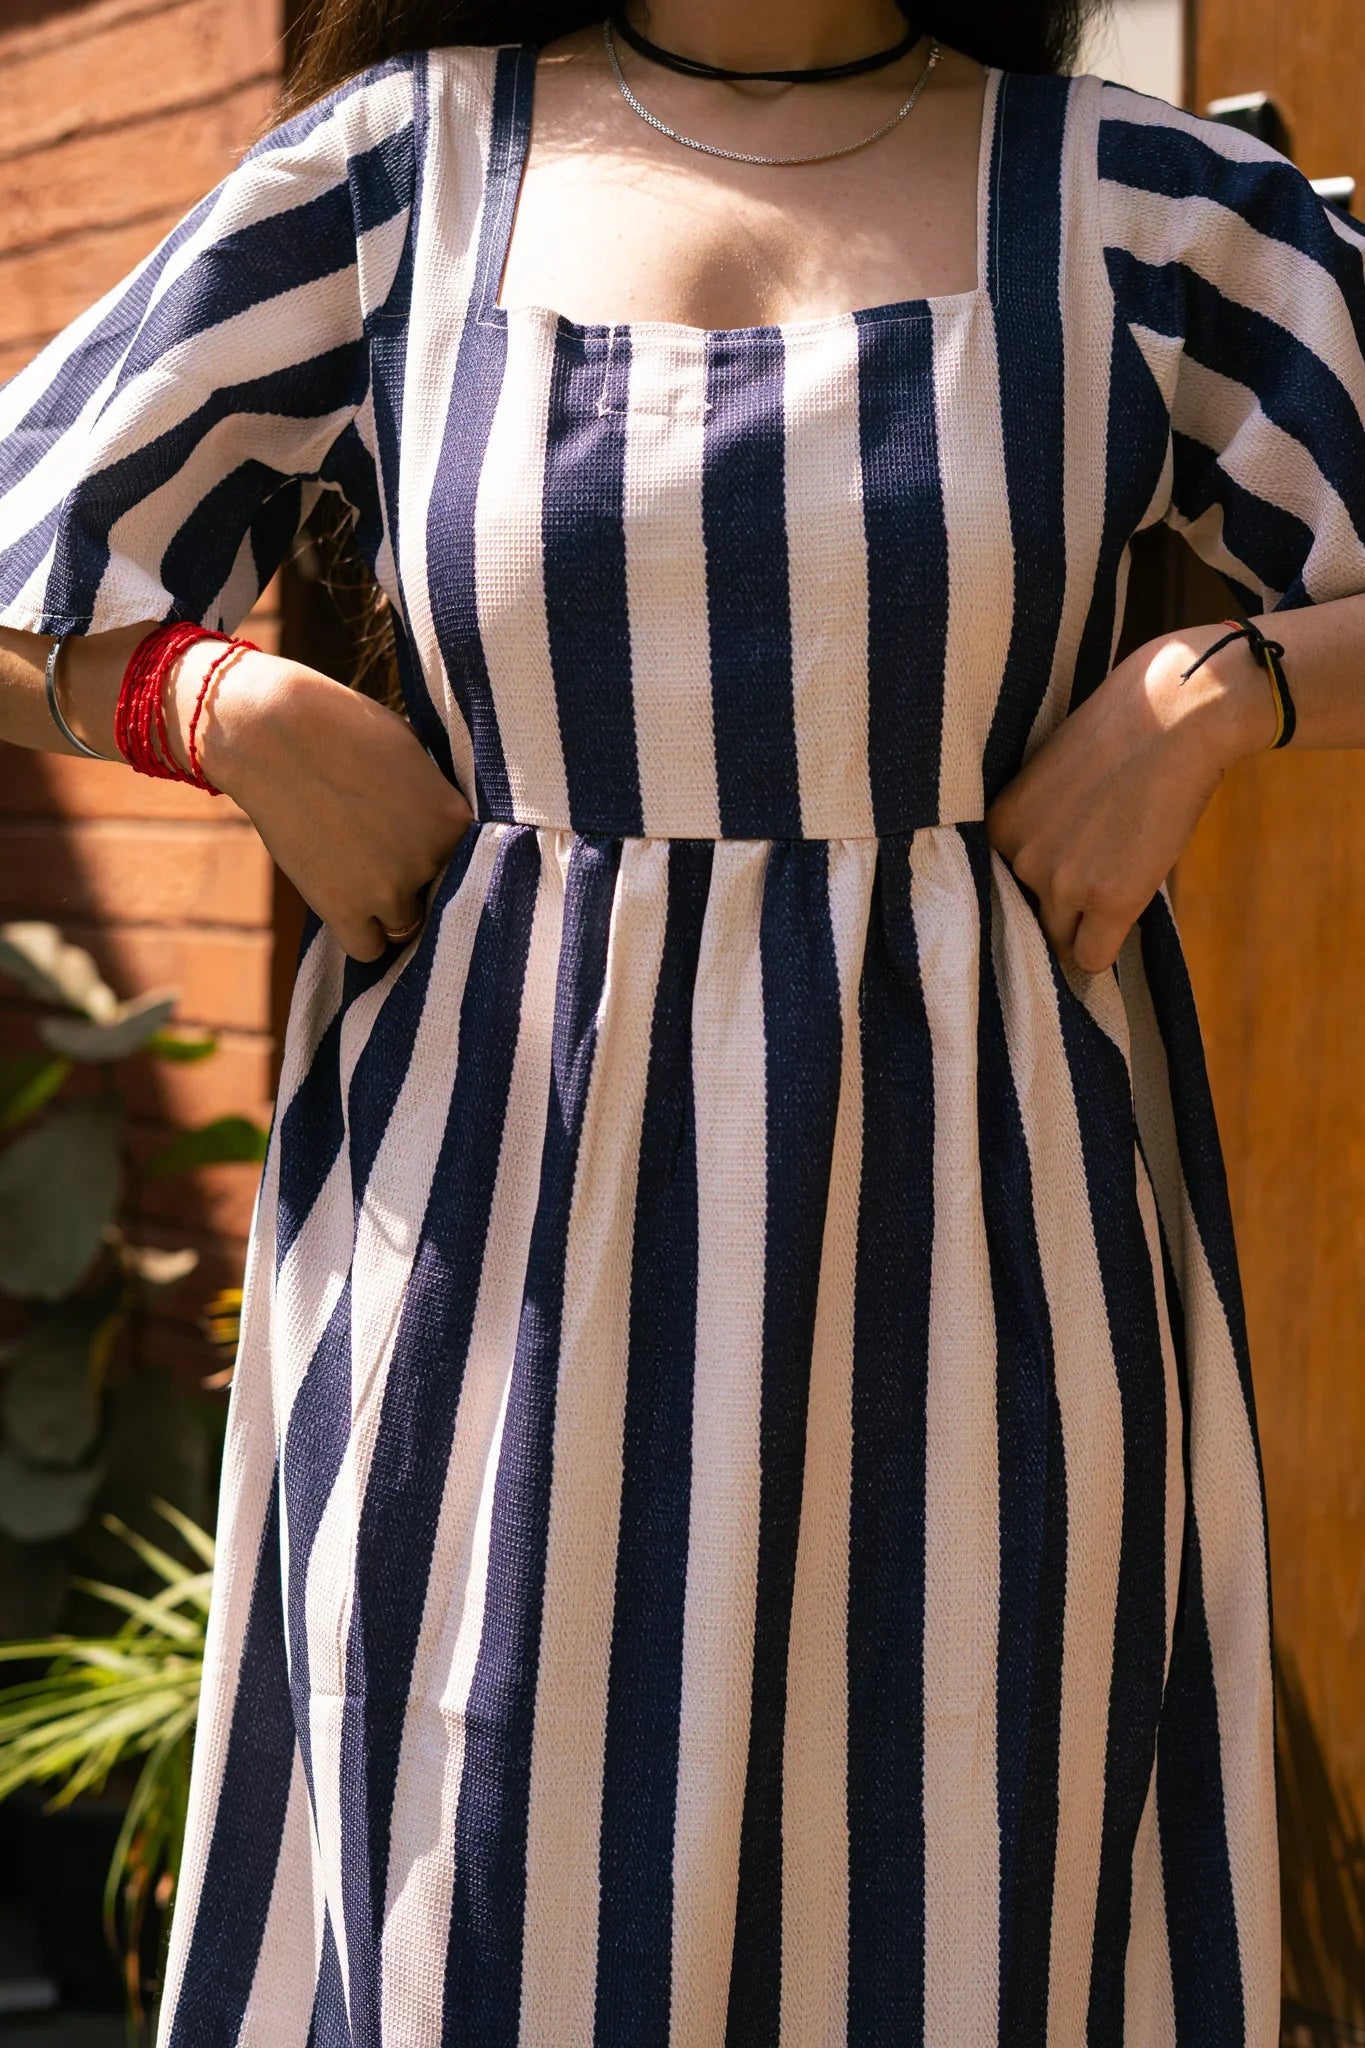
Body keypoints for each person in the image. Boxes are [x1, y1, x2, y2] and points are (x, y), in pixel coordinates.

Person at [1, 0, 1362, 2039]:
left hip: (979, 1283)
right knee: (500, 1907)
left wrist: (1214, 692)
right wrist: (221, 706)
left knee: (957, 1891)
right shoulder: (403, 173)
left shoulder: (1124, 202)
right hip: (494, 1289)